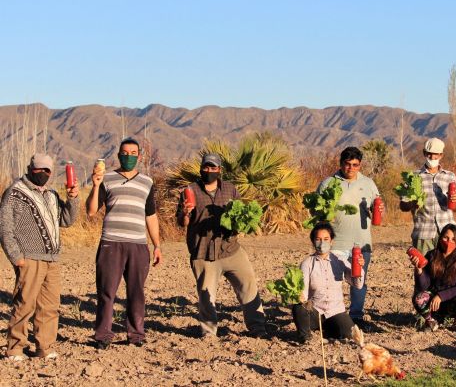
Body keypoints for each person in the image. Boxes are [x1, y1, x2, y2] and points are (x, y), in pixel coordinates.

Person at [176, 153, 267, 338]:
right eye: (206, 168)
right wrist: (186, 213)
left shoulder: (230, 189)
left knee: (248, 286)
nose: (209, 171)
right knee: (206, 296)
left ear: (219, 170)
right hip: (203, 252)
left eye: (213, 168)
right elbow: (182, 222)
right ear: (201, 168)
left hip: (231, 249)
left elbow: (241, 213)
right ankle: (209, 333)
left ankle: (258, 328)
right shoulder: (190, 190)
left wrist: (243, 223)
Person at [0, 154, 80, 361]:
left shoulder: (51, 195)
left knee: (49, 306)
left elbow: (67, 220)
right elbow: (5, 227)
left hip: (52, 259)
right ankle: (15, 348)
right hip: (29, 258)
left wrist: (73, 199)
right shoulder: (15, 193)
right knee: (25, 303)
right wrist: (16, 256)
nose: (43, 174)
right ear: (30, 169)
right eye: (39, 170)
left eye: (47, 170)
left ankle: (44, 347)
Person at [86, 137, 162, 349]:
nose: (128, 156)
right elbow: (91, 211)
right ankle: (103, 336)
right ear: (118, 154)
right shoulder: (106, 179)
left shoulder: (147, 182)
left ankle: (136, 335)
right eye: (124, 153)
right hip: (111, 243)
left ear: (139, 156)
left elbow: (151, 216)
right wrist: (95, 185)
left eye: (133, 153)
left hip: (138, 245)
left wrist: (156, 245)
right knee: (106, 291)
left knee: (136, 292)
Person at [316, 146, 381, 326]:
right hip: (335, 244)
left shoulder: (369, 184)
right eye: (347, 164)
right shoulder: (328, 183)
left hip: (361, 244)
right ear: (341, 163)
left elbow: (377, 211)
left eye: (355, 165)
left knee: (358, 280)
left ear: (360, 165)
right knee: (330, 283)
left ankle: (356, 317)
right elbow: (316, 214)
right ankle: (329, 316)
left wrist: (378, 210)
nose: (351, 168)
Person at [292, 222, 364, 344]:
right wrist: (299, 296)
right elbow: (302, 291)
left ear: (331, 241)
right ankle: (306, 338)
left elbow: (357, 284)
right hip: (316, 312)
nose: (322, 243)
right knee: (299, 308)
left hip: (335, 311)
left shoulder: (340, 260)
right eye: (318, 239)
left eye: (326, 239)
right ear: (313, 242)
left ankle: (329, 330)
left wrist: (359, 268)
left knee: (349, 335)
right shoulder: (307, 263)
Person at [400, 138, 456, 255]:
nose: (432, 157)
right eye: (429, 154)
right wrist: (413, 203)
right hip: (423, 233)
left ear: (441, 155)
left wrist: (454, 201)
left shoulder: (450, 176)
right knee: (424, 270)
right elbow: (403, 205)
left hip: (447, 234)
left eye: (436, 154)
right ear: (424, 153)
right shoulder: (413, 177)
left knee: (448, 269)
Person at [411, 223, 456, 333]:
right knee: (419, 298)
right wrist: (419, 270)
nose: (449, 242)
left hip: (452, 300)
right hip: (434, 304)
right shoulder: (431, 255)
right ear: (440, 239)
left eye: (453, 239)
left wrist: (441, 296)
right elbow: (424, 285)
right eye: (446, 238)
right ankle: (431, 321)